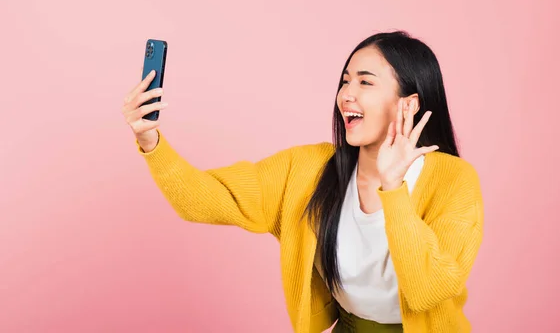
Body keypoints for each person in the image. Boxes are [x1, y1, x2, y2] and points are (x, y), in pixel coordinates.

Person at [121, 31, 484, 333]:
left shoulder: (453, 180)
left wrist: (393, 190)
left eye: (365, 82)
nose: (346, 94)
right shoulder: (310, 168)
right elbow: (202, 200)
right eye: (345, 81)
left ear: (409, 104)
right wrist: (150, 141)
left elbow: (428, 290)